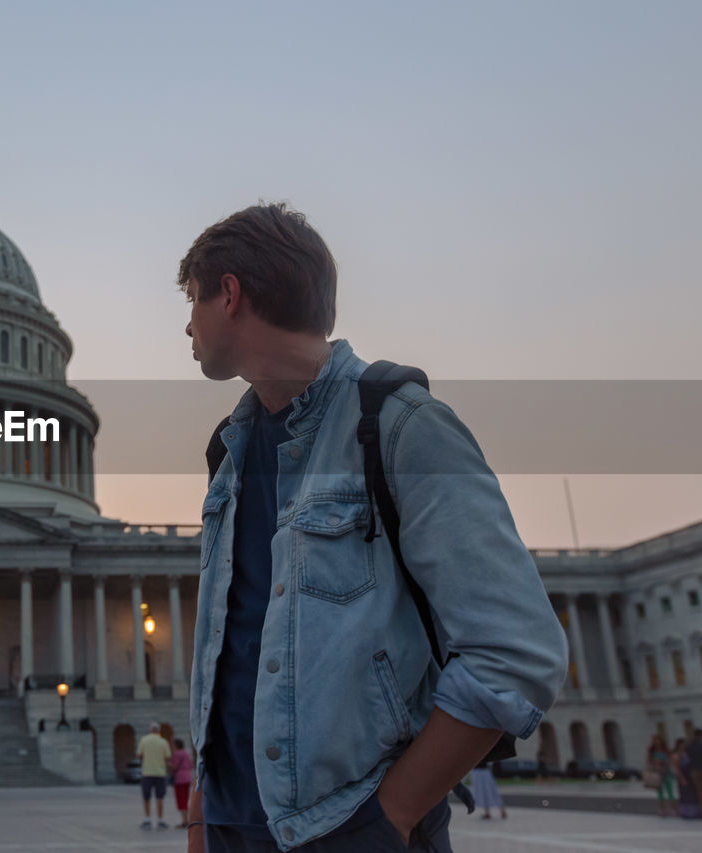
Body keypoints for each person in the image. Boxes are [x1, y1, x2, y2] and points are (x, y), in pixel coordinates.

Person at [179, 203, 570, 852]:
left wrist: (388, 818)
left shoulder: (401, 425)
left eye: (192, 299)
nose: (185, 325)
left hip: (347, 828)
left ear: (229, 294)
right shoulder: (229, 453)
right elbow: (229, 653)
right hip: (233, 831)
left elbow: (516, 651)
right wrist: (201, 820)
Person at [136, 723, 172, 830]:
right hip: (160, 773)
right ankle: (160, 820)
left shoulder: (144, 740)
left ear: (150, 730)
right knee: (160, 797)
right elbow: (168, 758)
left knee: (146, 797)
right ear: (158, 731)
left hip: (147, 773)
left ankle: (147, 819)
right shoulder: (163, 741)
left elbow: (139, 755)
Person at [647, 734, 676, 817]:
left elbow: (670, 760)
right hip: (657, 773)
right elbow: (649, 761)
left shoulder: (666, 750)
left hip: (666, 772)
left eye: (658, 740)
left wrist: (665, 763)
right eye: (655, 740)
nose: (657, 742)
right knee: (660, 793)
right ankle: (661, 809)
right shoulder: (651, 751)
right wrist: (655, 764)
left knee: (670, 791)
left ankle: (673, 809)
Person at [169, 738, 195, 828]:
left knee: (181, 800)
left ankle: (184, 821)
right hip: (187, 778)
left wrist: (168, 763)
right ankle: (186, 820)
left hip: (179, 779)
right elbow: (191, 765)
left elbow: (174, 766)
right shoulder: (186, 753)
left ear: (176, 745)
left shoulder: (177, 753)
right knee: (185, 799)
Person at [674, 738, 702, 819]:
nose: (683, 746)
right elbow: (677, 768)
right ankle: (685, 812)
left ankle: (694, 812)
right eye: (682, 744)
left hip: (691, 777)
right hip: (683, 777)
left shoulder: (688, 754)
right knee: (685, 795)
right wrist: (682, 779)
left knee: (693, 794)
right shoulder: (677, 755)